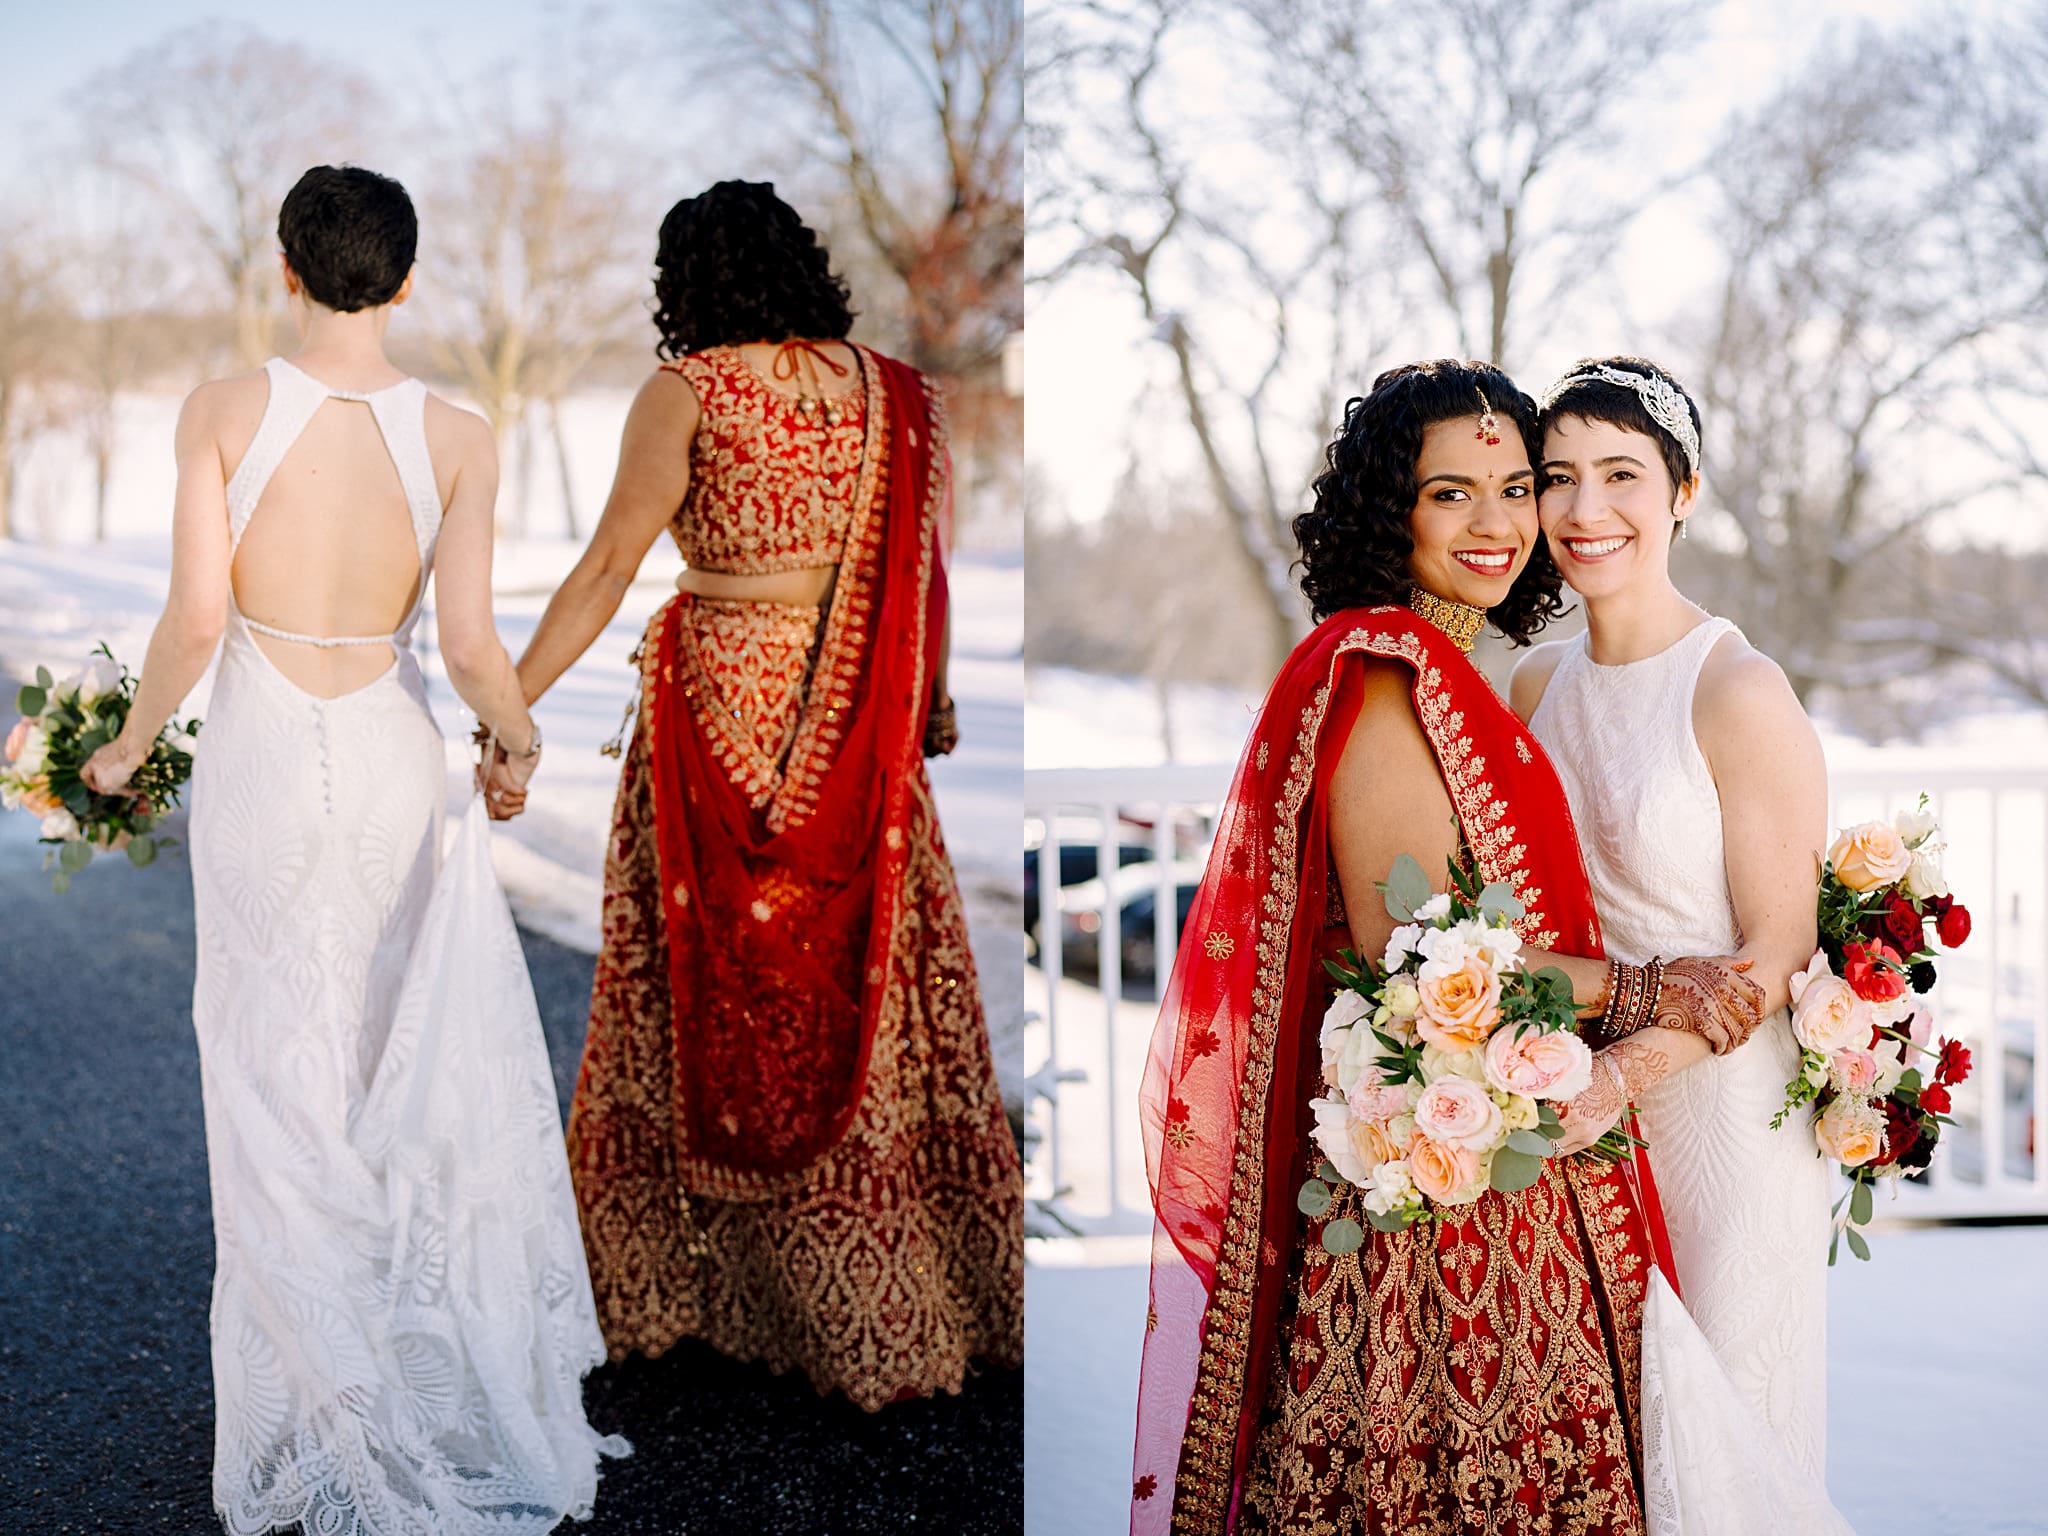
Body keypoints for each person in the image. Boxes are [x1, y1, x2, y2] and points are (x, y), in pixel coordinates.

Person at [1130, 360, 1768, 1534]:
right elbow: (1420, 967)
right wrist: (1649, 988)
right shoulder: (1381, 673)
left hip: (1507, 1145)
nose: (1496, 524)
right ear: (1392, 510)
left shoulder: (1463, 668)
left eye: (1515, 487)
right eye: (1449, 494)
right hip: (1440, 1190)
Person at [81, 165, 622, 1533]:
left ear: (284, 269)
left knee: (268, 1055)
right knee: (389, 1049)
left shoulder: (219, 410)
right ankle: (398, 1363)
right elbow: (467, 649)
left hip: (265, 751)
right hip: (387, 749)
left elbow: (198, 620)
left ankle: (317, 1398)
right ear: (407, 276)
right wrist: (514, 744)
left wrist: (125, 746)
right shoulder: (458, 432)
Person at [489, 179, 1022, 1409]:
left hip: (720, 712)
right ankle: (909, 1305)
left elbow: (610, 565)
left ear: (684, 287)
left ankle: (686, 1298)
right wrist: (921, 708)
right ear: (806, 267)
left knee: (711, 978)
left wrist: (507, 709)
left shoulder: (687, 391)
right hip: (863, 728)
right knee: (863, 987)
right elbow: (918, 573)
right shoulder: (898, 397)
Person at [1517, 356, 1849, 1516]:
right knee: (1604, 1441)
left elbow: (1773, 952)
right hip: (1573, 1106)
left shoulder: (1735, 687)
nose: (1582, 510)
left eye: (1618, 475)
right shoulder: (1528, 685)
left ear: (1682, 492)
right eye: (1555, 479)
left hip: (1722, 1112)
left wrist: (1625, 1069)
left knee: (1721, 1442)